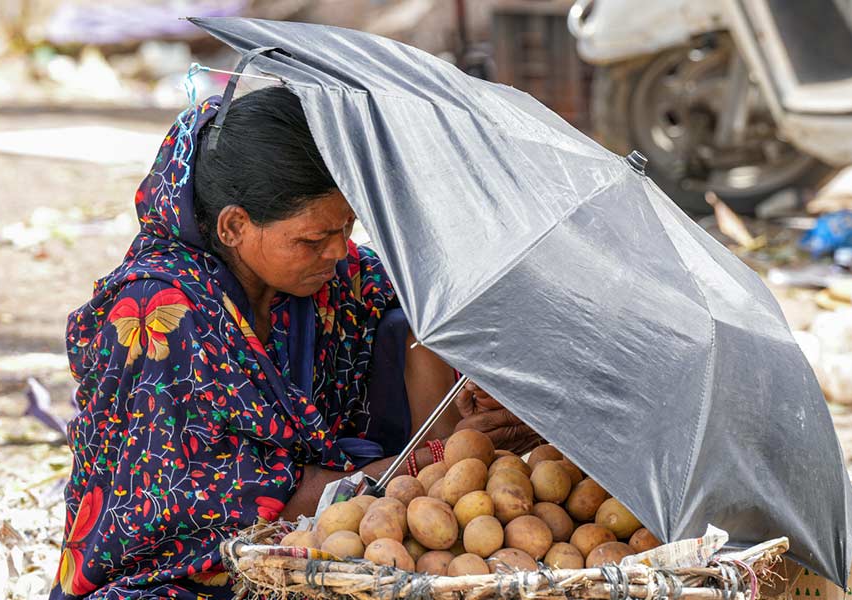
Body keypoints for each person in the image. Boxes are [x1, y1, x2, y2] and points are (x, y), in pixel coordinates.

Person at [52, 86, 540, 599]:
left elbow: (434, 302)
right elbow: (238, 511)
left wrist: (476, 384)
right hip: (186, 572)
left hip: (329, 528)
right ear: (235, 225)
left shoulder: (328, 278)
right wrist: (438, 460)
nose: (338, 251)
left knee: (416, 322)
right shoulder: (159, 316)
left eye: (347, 227)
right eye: (313, 239)